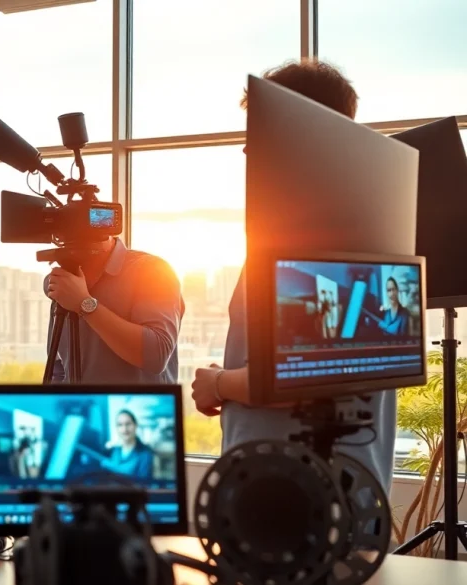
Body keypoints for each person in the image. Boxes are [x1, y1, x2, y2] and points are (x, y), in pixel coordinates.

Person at [190, 59, 398, 494]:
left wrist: (220, 383)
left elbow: (302, 377)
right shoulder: (362, 221)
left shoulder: (325, 235)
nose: (247, 150)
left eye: (259, 131)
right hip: (289, 492)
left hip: (300, 504)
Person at [43, 237, 184, 384]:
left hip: (139, 406)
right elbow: (58, 367)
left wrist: (84, 304)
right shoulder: (64, 280)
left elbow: (157, 354)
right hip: (83, 406)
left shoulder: (151, 270)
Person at [100, 409, 155, 480]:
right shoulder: (113, 451)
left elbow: (143, 484)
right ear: (116, 428)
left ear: (135, 425)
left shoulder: (145, 454)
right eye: (120, 425)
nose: (124, 429)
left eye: (128, 424)